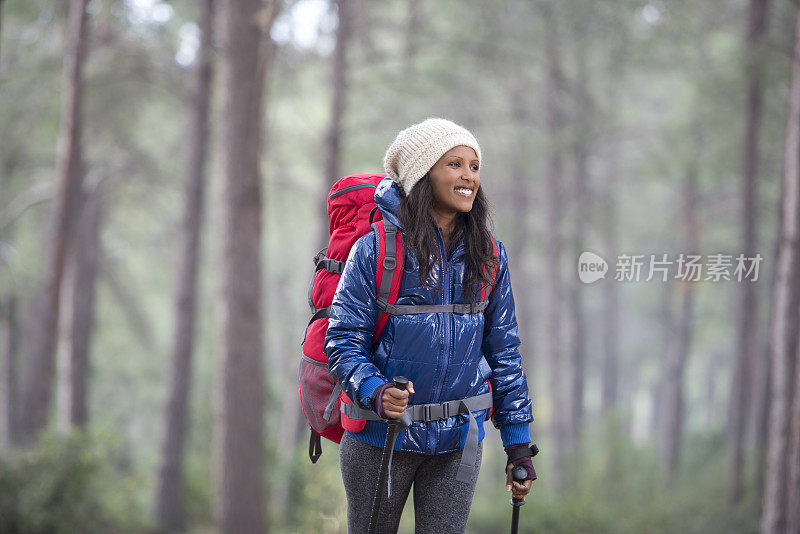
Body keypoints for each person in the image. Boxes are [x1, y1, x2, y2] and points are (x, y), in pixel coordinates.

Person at [324, 117, 536, 533]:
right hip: (379, 440)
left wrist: (518, 444)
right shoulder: (375, 251)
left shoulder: (489, 255)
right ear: (424, 173)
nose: (468, 176)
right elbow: (343, 340)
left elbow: (504, 353)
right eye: (454, 164)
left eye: (474, 167)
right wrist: (376, 390)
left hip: (458, 441)